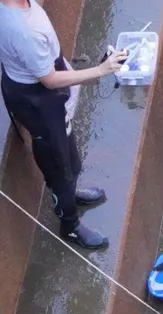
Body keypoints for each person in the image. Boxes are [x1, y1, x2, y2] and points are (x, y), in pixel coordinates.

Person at [0, 0, 126, 250]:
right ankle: (69, 225)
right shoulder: (22, 30)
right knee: (59, 164)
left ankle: (70, 191)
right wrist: (101, 70)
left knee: (72, 159)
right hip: (37, 100)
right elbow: (49, 80)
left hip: (40, 82)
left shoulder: (19, 9)